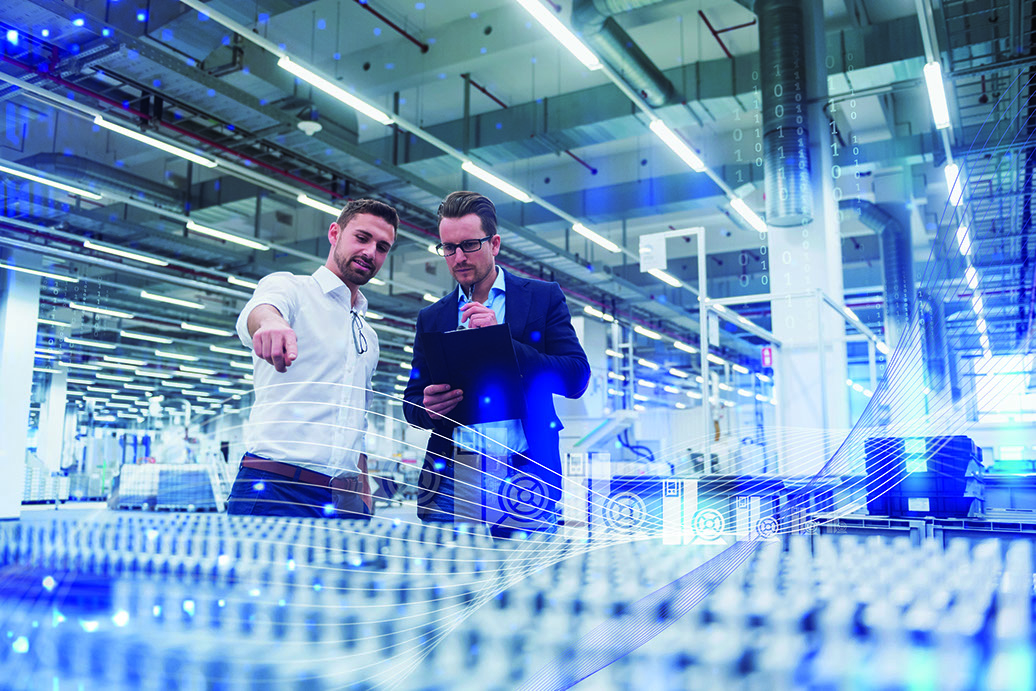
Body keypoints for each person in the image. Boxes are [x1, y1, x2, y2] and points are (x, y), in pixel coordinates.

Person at [403, 191, 590, 534]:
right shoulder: (433, 317)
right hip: (454, 478)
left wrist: (504, 342)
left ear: (495, 244)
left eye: (470, 245)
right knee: (451, 585)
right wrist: (425, 408)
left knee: (527, 582)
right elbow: (411, 401)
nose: (458, 257)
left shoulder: (541, 298)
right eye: (448, 248)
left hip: (526, 472)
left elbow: (576, 378)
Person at [225, 198, 398, 518]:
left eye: (383, 247)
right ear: (335, 233)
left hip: (344, 498)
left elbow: (354, 421)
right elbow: (261, 309)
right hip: (275, 488)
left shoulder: (367, 336)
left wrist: (364, 494)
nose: (371, 252)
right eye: (362, 238)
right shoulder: (292, 289)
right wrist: (272, 323)